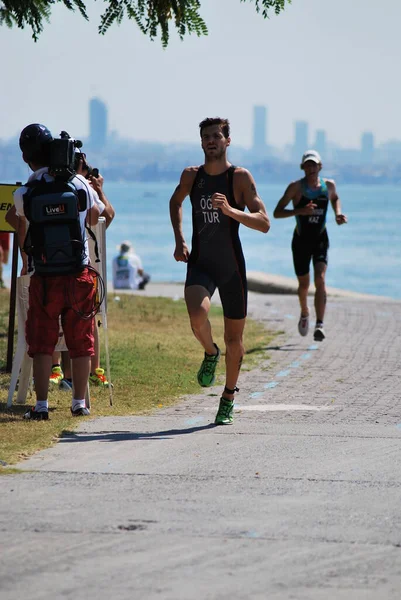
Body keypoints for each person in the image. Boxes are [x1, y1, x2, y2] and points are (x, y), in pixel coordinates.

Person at [169, 117, 270, 425]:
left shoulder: (239, 178)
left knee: (235, 338)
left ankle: (228, 397)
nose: (211, 140)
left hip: (231, 269)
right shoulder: (191, 175)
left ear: (228, 141)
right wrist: (180, 240)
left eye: (216, 135)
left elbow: (264, 221)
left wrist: (230, 211)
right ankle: (210, 353)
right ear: (201, 143)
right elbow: (175, 202)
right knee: (197, 315)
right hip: (200, 262)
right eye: (206, 136)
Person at [13, 123, 101, 420]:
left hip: (45, 277)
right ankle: (79, 403)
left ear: (27, 158)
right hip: (79, 274)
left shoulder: (26, 191)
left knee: (41, 341)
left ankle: (40, 405)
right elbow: (97, 213)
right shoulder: (79, 185)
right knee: (81, 340)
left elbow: (19, 220)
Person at [273, 149, 347, 341]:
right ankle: (305, 312)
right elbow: (277, 212)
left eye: (314, 164)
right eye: (307, 165)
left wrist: (338, 213)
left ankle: (320, 324)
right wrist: (299, 211)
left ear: (320, 166)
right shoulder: (295, 188)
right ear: (302, 167)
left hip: (320, 239)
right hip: (300, 241)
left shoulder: (328, 185)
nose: (311, 168)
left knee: (320, 279)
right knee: (304, 284)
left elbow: (335, 198)